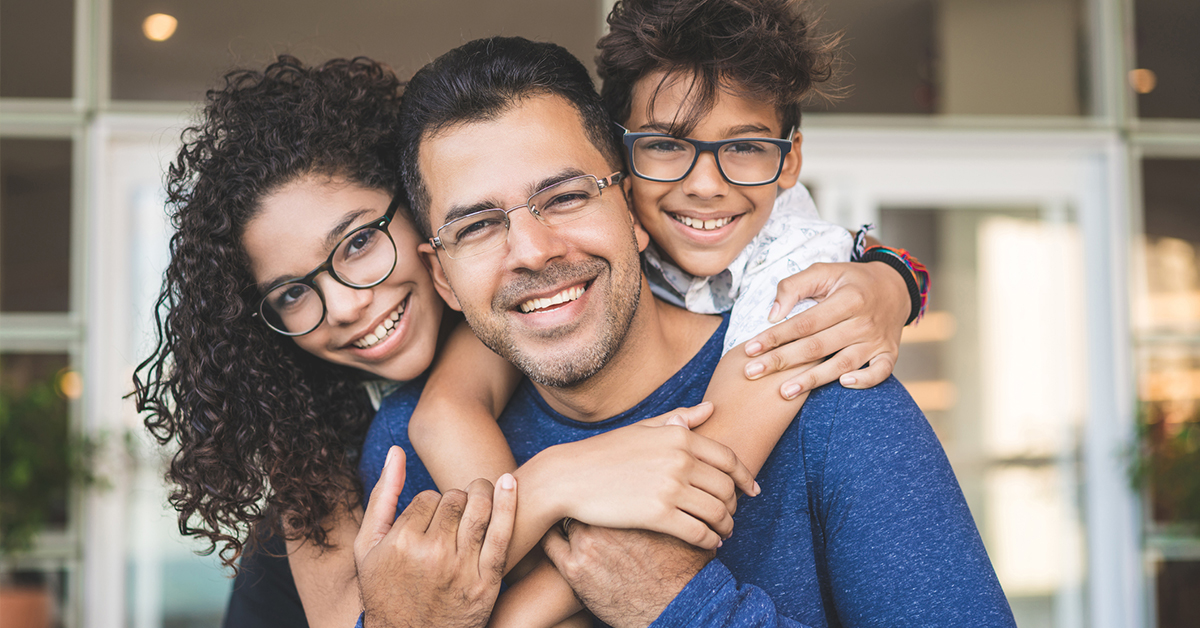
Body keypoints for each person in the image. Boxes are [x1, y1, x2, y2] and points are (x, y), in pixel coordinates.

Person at [360, 35, 1016, 627]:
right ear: (442, 278)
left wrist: (685, 610)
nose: (531, 250)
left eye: (565, 196)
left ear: (633, 207)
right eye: (476, 226)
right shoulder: (405, 449)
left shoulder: (835, 399)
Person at [132, 56, 760, 628]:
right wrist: (550, 484)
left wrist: (864, 272)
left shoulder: (519, 317)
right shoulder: (313, 464)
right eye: (293, 293)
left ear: (418, 210)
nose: (347, 305)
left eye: (357, 243)